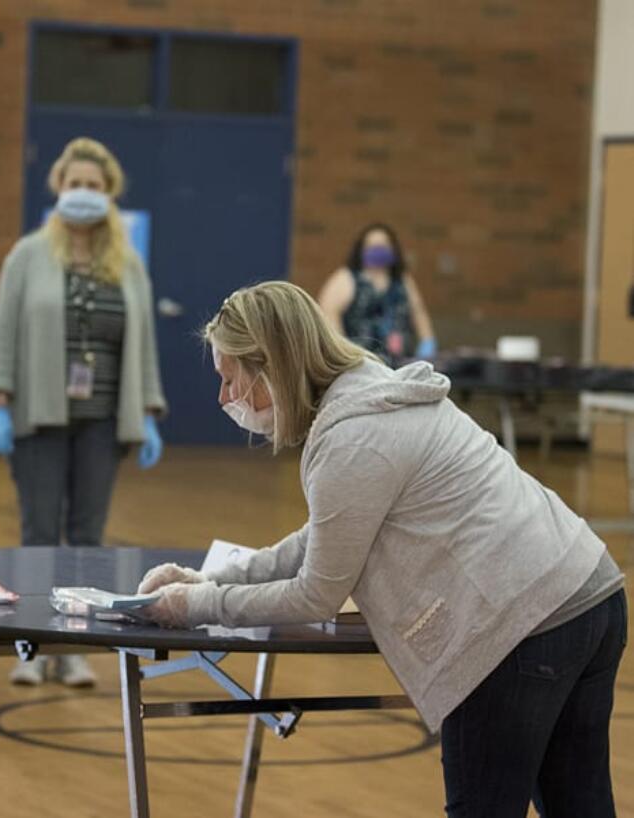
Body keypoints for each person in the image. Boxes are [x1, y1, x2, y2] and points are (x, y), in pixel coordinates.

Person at [139, 281, 625, 818]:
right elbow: (324, 536)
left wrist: (194, 608)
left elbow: (315, 596)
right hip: (587, 589)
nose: (223, 397)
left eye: (230, 379)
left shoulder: (351, 439)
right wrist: (215, 579)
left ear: (270, 366)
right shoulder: (372, 393)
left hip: (521, 623)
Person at [0, 136, 167, 687]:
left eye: (94, 185)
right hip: (40, 415)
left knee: (88, 536)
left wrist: (149, 410)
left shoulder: (127, 264)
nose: (83, 192)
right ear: (58, 188)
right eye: (75, 183)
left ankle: (75, 647)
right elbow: (4, 333)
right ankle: (30, 645)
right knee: (39, 532)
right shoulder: (28, 255)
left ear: (109, 194)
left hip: (104, 418)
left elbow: (144, 343)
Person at [317, 222, 436, 365]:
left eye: (383, 246)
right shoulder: (346, 278)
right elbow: (328, 313)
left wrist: (427, 342)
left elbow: (418, 312)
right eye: (372, 246)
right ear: (361, 250)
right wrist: (341, 353)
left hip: (399, 363)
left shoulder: (402, 280)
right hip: (360, 364)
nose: (378, 250)